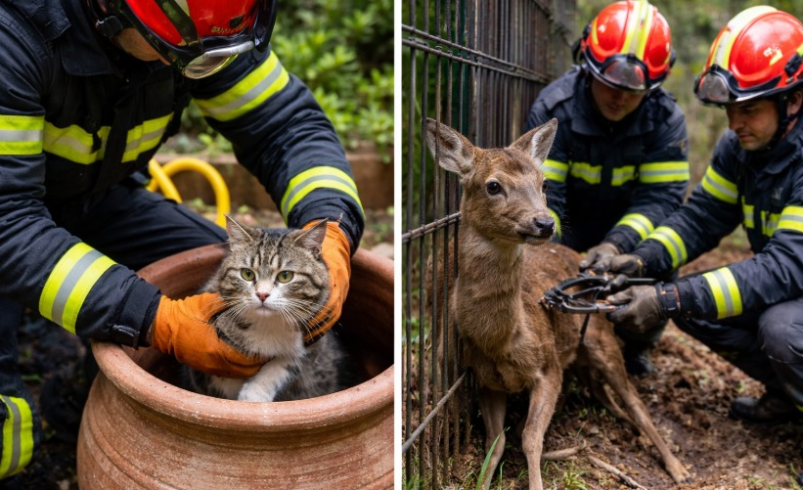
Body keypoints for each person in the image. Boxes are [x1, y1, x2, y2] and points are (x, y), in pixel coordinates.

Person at [0, 0, 364, 482]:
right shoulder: (14, 38)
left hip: (97, 199)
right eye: (177, 51)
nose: (197, 63)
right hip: (9, 217)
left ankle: (87, 395)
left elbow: (286, 126)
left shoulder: (202, 25)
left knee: (215, 280)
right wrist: (156, 319)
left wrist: (333, 228)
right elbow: (9, 222)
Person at [603, 5, 803, 432]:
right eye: (730, 109)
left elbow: (784, 269)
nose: (734, 123)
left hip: (793, 289)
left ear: (795, 99)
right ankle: (791, 398)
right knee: (694, 305)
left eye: (748, 109)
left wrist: (666, 299)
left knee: (781, 328)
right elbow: (702, 217)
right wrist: (641, 260)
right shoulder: (743, 147)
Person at [524, 0, 689, 374]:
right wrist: (563, 258)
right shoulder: (555, 109)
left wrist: (617, 244)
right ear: (586, 66)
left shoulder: (666, 121)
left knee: (664, 251)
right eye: (610, 85)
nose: (620, 97)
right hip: (566, 224)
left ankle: (636, 346)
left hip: (626, 231)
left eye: (634, 91)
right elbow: (545, 197)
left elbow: (661, 200)